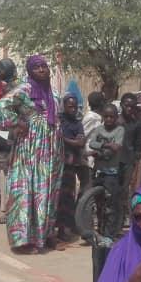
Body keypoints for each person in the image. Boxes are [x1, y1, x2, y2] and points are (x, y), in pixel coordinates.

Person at [0, 87, 63, 253]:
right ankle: (21, 240)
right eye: (37, 67)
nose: (42, 70)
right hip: (28, 148)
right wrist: (16, 122)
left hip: (51, 150)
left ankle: (44, 234)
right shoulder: (24, 90)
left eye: (44, 66)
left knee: (47, 190)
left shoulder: (54, 92)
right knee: (24, 190)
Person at [86, 103, 125, 237]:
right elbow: (91, 143)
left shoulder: (120, 130)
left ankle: (110, 232)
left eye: (112, 117)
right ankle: (100, 229)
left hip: (112, 172)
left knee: (110, 202)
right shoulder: (98, 129)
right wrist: (107, 144)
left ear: (116, 117)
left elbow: (116, 148)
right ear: (103, 117)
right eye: (106, 116)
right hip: (99, 170)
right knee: (98, 201)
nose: (109, 119)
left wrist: (99, 148)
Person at [57, 93, 89, 242]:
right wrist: (71, 141)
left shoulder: (77, 123)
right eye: (70, 106)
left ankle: (64, 230)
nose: (73, 109)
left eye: (75, 107)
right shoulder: (58, 120)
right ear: (64, 106)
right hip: (56, 165)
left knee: (67, 198)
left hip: (70, 166)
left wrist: (64, 140)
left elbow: (81, 142)